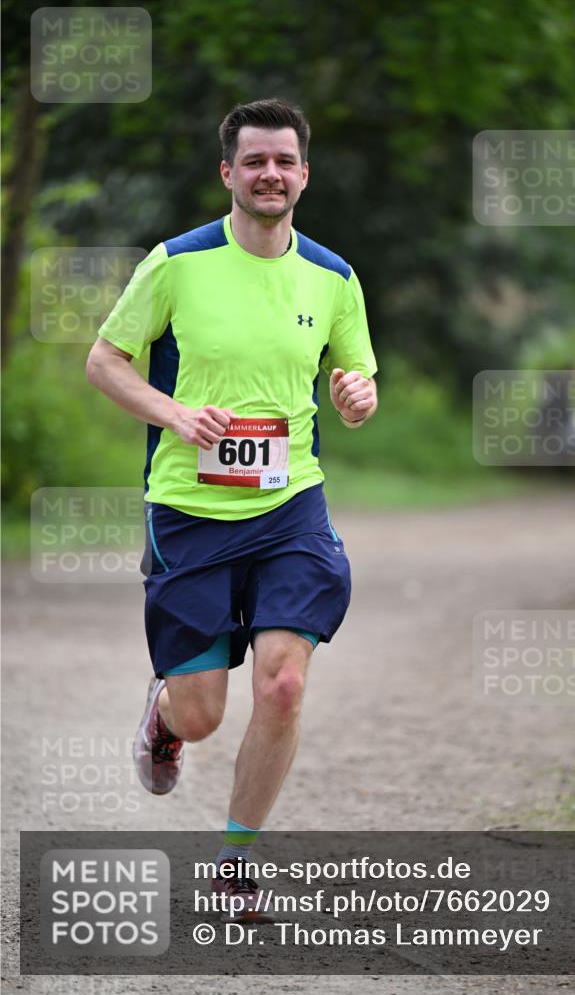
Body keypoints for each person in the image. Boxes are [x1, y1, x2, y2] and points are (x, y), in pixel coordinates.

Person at [86, 99, 377, 920]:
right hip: (188, 510)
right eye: (254, 161)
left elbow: (355, 386)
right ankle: (165, 712)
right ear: (228, 173)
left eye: (284, 161)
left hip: (290, 506)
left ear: (304, 173)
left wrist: (357, 397)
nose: (270, 174)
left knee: (282, 684)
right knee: (205, 715)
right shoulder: (176, 264)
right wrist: (175, 414)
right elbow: (104, 361)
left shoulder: (333, 277)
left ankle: (235, 862)